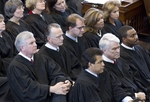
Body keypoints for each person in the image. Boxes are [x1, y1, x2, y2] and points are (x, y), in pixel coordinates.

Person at [7, 31, 73, 102]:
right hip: (32, 99)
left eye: (35, 42)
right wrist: (51, 89)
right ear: (22, 47)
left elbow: (56, 72)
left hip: (48, 95)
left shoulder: (41, 58)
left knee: (61, 80)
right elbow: (28, 89)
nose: (35, 45)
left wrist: (67, 81)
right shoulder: (15, 66)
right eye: (31, 43)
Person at [69, 47, 134, 102]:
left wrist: (127, 100)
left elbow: (116, 88)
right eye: (100, 62)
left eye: (103, 61)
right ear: (90, 64)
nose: (103, 64)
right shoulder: (84, 84)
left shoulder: (104, 72)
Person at [99, 33, 146, 101]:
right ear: (104, 50)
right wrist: (134, 95)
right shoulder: (102, 68)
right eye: (114, 49)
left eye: (118, 47)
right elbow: (113, 91)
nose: (118, 51)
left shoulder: (120, 61)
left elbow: (133, 78)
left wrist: (141, 91)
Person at [119, 25, 150, 93]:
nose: (136, 37)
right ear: (124, 39)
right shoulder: (122, 55)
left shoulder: (138, 48)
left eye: (136, 34)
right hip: (143, 87)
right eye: (132, 36)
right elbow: (134, 77)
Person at [0, 14, 13, 102]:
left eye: (3, 21)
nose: (3, 23)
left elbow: (13, 51)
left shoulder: (6, 35)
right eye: (0, 22)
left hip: (10, 63)